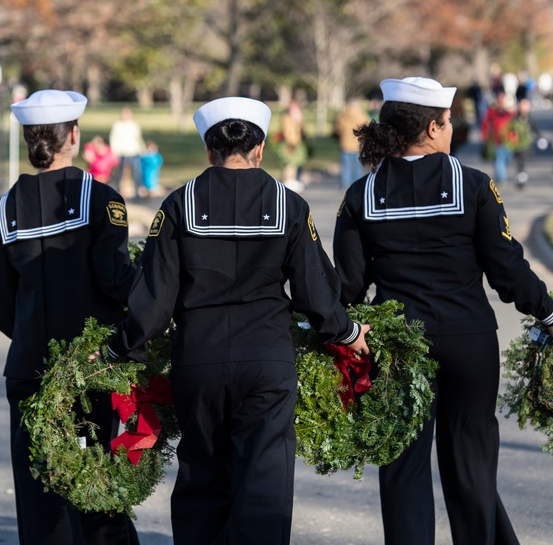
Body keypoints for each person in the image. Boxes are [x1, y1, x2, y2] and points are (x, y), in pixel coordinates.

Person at [101, 96, 371, 545]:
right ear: (261, 148)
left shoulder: (177, 204)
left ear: (209, 150)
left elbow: (152, 300)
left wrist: (117, 349)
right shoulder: (290, 204)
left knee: (203, 483)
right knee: (263, 486)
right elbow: (316, 293)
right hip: (267, 363)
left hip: (199, 361)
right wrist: (346, 333)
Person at [332, 77, 553, 545]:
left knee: (403, 471)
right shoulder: (473, 184)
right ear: (432, 128)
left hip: (397, 351)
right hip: (468, 343)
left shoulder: (359, 195)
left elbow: (346, 286)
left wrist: (337, 328)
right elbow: (507, 269)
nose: (451, 131)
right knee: (471, 465)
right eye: (447, 123)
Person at [0, 89, 140, 545]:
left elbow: (0, 307)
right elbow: (117, 281)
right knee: (93, 479)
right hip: (90, 369)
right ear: (73, 136)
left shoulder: (4, 211)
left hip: (28, 370)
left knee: (40, 490)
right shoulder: (102, 199)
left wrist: (35, 337)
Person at [480, 91, 516, 186]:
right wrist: (485, 135)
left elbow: (515, 122)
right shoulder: (492, 111)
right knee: (499, 159)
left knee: (507, 157)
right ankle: (501, 178)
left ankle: (501, 174)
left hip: (508, 139)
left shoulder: (510, 112)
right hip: (497, 139)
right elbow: (486, 123)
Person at [334, 98, 371, 187]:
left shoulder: (343, 116)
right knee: (357, 167)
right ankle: (357, 185)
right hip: (357, 145)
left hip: (345, 144)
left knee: (345, 167)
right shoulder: (362, 115)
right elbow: (368, 128)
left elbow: (337, 129)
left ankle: (345, 183)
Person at [109, 107, 145, 198]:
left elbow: (138, 138)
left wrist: (142, 149)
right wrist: (115, 151)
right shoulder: (118, 125)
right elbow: (114, 139)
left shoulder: (134, 125)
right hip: (122, 152)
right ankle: (117, 191)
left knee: (137, 173)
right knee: (120, 173)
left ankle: (137, 192)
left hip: (134, 151)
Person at [276, 98, 307, 191]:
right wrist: (290, 142)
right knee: (289, 163)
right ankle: (288, 182)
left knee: (295, 163)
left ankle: (293, 181)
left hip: (297, 141)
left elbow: (302, 129)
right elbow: (287, 130)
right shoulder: (286, 117)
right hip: (289, 142)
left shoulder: (297, 117)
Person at [511, 98, 540, 190]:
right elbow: (511, 129)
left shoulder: (530, 118)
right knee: (520, 161)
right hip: (517, 144)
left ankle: (522, 178)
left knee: (523, 160)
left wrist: (540, 138)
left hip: (527, 144)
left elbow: (535, 129)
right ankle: (521, 178)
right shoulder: (515, 118)